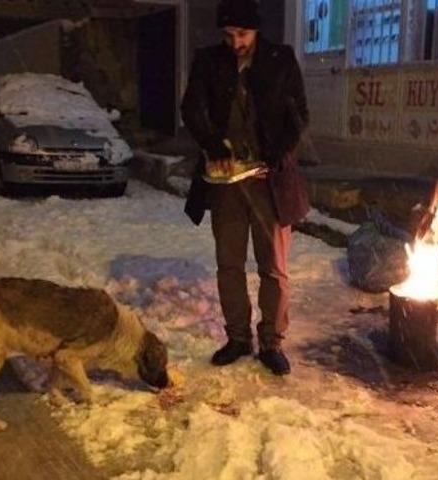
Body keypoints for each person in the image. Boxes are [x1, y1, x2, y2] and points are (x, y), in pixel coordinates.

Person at [181, 0, 310, 375]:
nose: (235, 42)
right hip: (225, 183)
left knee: (274, 268)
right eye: (229, 34)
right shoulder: (209, 60)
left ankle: (271, 341)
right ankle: (238, 337)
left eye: (242, 34)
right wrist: (212, 143)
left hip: (270, 181)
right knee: (229, 264)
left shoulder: (280, 59)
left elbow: (298, 115)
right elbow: (191, 109)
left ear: (255, 30)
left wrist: (275, 154)